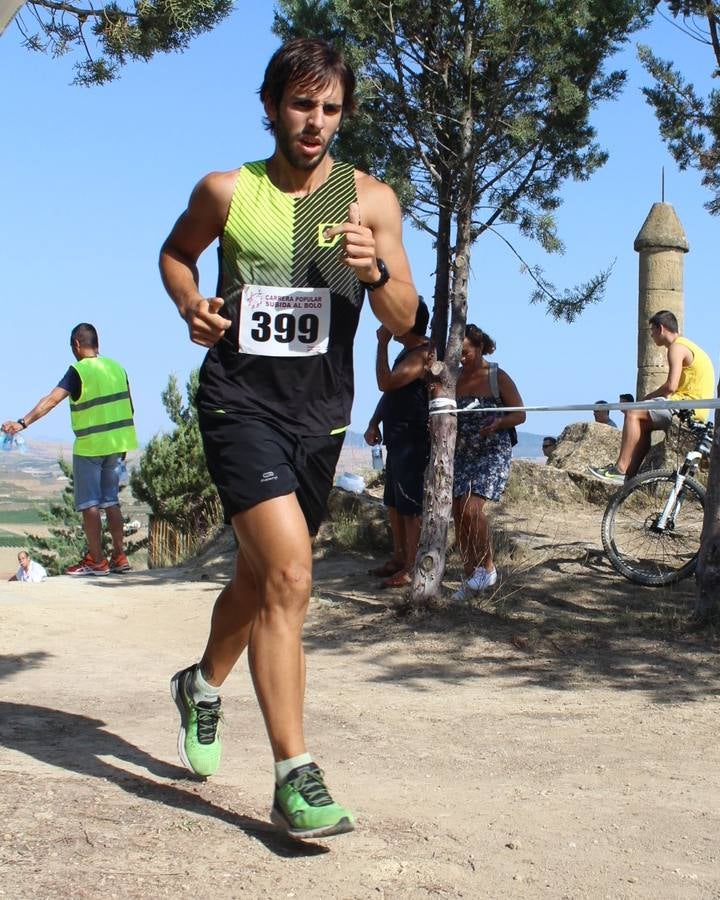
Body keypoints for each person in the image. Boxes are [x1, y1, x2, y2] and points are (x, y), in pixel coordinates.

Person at [158, 37, 418, 841]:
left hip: (319, 418)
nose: (315, 122)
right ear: (271, 106)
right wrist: (190, 303)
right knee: (291, 576)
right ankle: (293, 777)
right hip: (239, 404)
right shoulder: (227, 191)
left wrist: (375, 273)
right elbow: (176, 254)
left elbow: (407, 318)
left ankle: (201, 685)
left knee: (258, 579)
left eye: (330, 108)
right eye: (302, 104)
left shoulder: (369, 201)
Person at [2, 323, 137, 576]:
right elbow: (129, 407)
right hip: (118, 444)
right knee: (111, 501)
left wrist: (22, 423)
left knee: (90, 504)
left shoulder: (79, 371)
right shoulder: (117, 368)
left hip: (90, 446)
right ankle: (120, 556)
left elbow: (51, 400)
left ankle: (97, 560)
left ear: (76, 344)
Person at [589, 310, 715, 484]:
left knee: (633, 412)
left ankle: (620, 469)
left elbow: (671, 386)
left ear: (661, 328)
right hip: (695, 409)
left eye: (652, 330)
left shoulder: (676, 347)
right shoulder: (689, 346)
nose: (651, 335)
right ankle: (630, 476)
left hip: (685, 407)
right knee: (643, 423)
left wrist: (647, 398)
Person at [452, 325, 525, 602]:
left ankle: (488, 567)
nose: (462, 359)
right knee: (458, 513)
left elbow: (520, 414)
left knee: (472, 508)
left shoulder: (497, 376)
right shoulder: (454, 377)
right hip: (462, 452)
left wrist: (498, 423)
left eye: (466, 352)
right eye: (458, 354)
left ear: (480, 347)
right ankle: (471, 576)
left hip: (492, 450)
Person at [364, 299, 431, 589]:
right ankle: (399, 557)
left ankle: (412, 566)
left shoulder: (423, 353)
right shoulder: (407, 352)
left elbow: (385, 382)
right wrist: (374, 421)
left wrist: (382, 344)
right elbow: (390, 392)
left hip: (413, 440)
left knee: (410, 507)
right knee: (393, 503)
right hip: (396, 438)